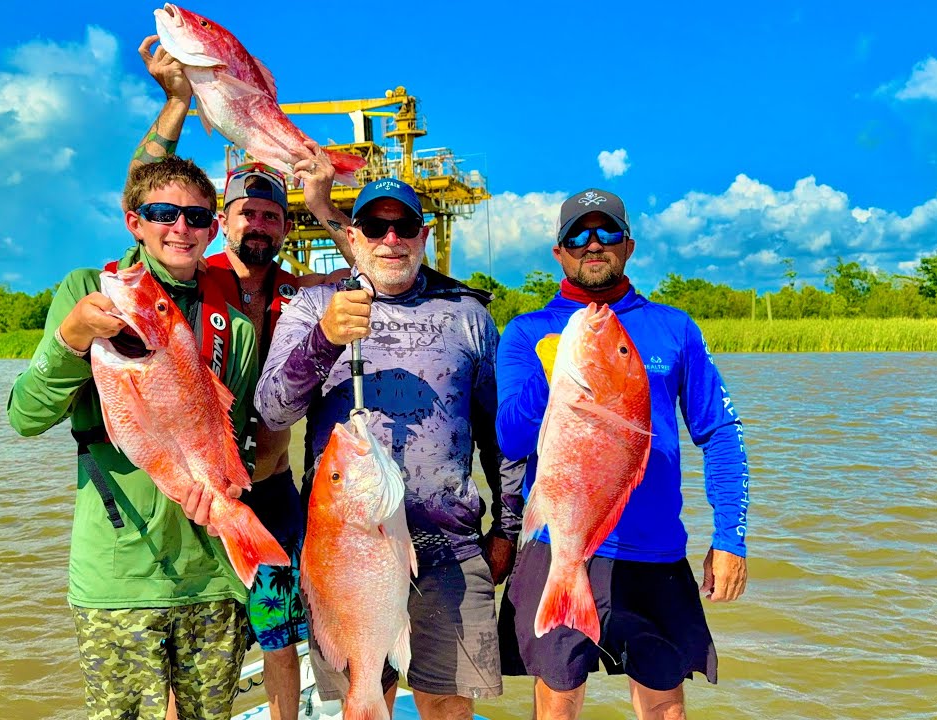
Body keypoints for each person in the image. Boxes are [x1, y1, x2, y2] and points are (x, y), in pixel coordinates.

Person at [130, 35, 353, 720]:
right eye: (246, 212)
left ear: (284, 226)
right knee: (190, 645)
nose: (258, 223)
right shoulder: (191, 281)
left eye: (271, 214)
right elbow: (143, 191)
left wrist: (324, 207)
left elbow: (376, 274)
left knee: (279, 634)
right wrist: (175, 104)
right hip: (200, 494)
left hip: (273, 489)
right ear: (220, 222)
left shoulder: (303, 293)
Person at [255, 176, 523, 720]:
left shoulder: (467, 315)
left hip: (452, 548)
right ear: (354, 236)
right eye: (376, 226)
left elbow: (500, 438)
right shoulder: (312, 307)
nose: (391, 239)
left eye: (403, 226)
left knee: (447, 703)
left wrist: (508, 528)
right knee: (365, 692)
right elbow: (272, 410)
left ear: (424, 235)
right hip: (344, 552)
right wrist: (325, 339)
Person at [6, 155, 260, 720]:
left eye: (197, 217)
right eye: (162, 213)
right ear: (134, 222)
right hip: (117, 576)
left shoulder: (236, 329)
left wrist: (225, 498)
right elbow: (25, 417)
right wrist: (71, 339)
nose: (181, 228)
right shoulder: (85, 293)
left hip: (214, 578)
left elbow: (230, 439)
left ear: (214, 228)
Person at [495, 188, 751, 720]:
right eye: (578, 235)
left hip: (653, 551)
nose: (594, 244)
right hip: (559, 541)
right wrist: (549, 382)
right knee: (558, 701)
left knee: (665, 708)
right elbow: (511, 440)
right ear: (559, 251)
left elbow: (720, 432)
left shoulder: (673, 327)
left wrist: (730, 537)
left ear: (628, 245)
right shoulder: (526, 332)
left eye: (607, 232)